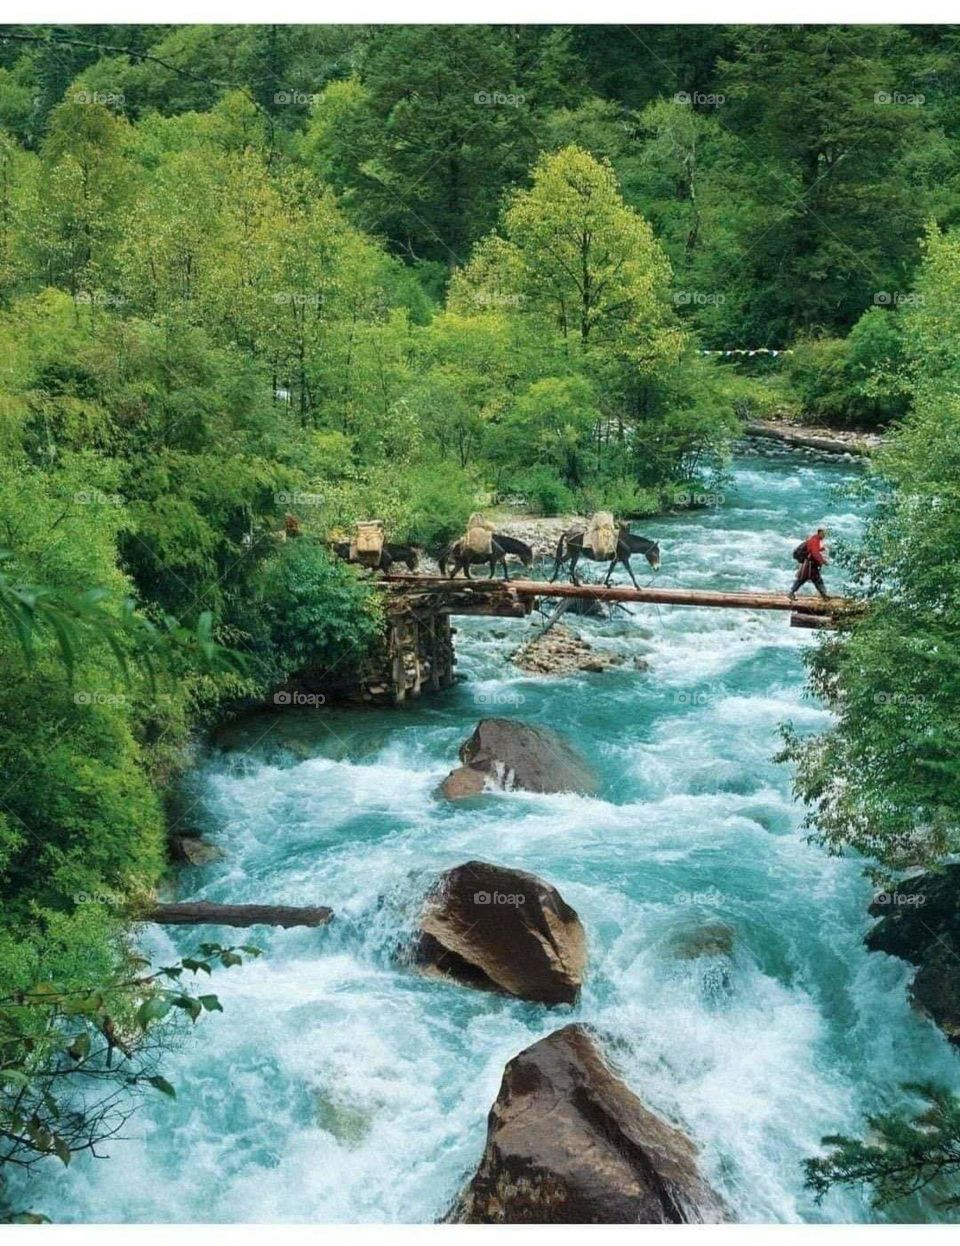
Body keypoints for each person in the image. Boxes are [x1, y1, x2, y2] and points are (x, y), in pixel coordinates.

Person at [789, 527, 829, 599]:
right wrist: (822, 561)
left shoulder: (813, 539)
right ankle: (824, 596)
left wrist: (821, 549)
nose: (824, 536)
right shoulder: (815, 540)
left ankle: (791, 592)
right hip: (810, 565)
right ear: (819, 533)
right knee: (817, 580)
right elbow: (814, 553)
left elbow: (812, 550)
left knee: (801, 579)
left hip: (807, 564)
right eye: (823, 534)